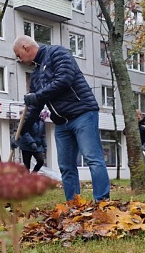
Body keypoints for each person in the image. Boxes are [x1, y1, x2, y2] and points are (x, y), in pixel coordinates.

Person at [13, 35, 110, 202]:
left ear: (25, 47)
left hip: (82, 114)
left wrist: (37, 96)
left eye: (18, 55)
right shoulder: (36, 75)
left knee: (92, 159)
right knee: (66, 166)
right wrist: (19, 134)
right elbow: (35, 108)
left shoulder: (57, 53)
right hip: (61, 124)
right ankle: (74, 205)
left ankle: (102, 202)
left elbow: (64, 79)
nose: (19, 60)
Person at [12, 108, 48, 172]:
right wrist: (31, 142)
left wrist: (44, 146)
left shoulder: (41, 122)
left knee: (41, 161)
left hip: (37, 146)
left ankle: (34, 174)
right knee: (26, 166)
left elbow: (42, 135)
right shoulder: (26, 120)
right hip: (26, 146)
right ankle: (28, 179)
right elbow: (24, 132)